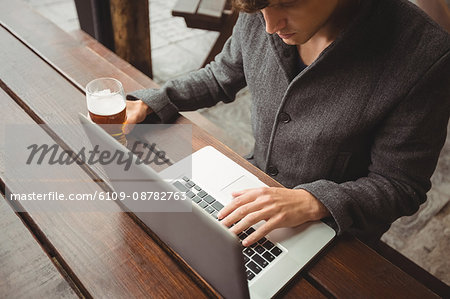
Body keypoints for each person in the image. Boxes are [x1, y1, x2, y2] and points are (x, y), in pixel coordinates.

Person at [124, 0, 450, 246]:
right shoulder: (262, 10)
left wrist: (315, 201)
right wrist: (156, 101)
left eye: (287, 2)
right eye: (261, 9)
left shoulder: (425, 55)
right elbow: (221, 75)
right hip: (253, 189)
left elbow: (400, 186)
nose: (269, 26)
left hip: (337, 230)